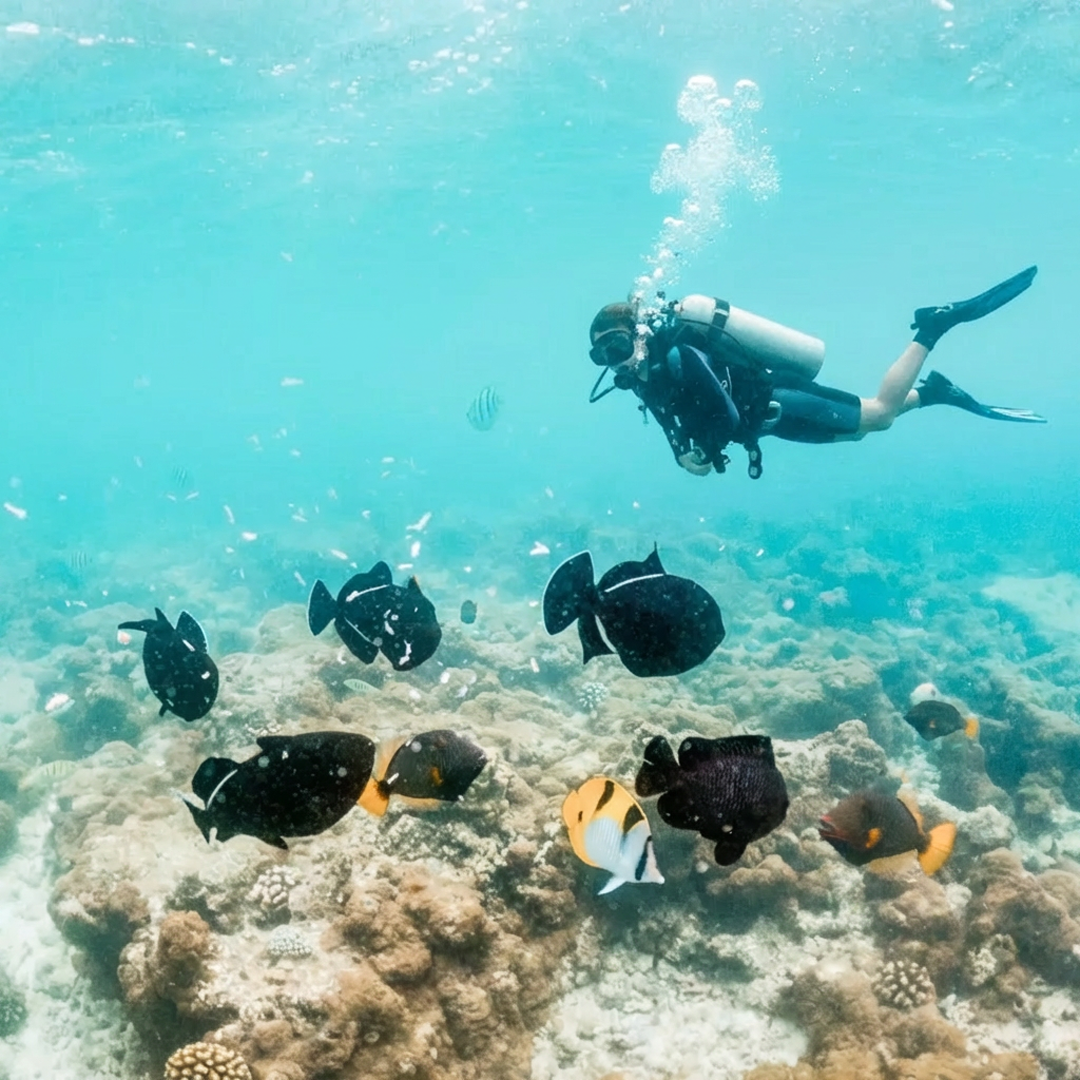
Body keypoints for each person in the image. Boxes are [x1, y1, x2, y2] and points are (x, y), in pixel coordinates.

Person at [587, 266, 1045, 478]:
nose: (617, 359)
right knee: (860, 433)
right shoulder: (645, 380)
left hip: (781, 401)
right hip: (768, 423)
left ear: (639, 335)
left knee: (880, 414)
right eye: (604, 355)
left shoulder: (677, 358)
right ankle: (935, 393)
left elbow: (722, 417)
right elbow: (687, 421)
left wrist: (704, 455)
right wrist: (689, 455)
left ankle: (932, 327)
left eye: (620, 345)